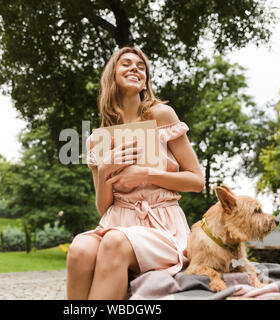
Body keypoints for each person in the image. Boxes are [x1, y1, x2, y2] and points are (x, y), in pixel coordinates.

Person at [66, 46, 205, 300]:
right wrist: (106, 167)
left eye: (141, 67)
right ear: (113, 76)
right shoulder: (98, 138)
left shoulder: (161, 115)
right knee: (80, 248)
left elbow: (197, 181)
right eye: (126, 64)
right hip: (116, 222)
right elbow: (103, 207)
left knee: (114, 242)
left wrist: (146, 174)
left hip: (162, 225)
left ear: (145, 80)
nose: (135, 68)